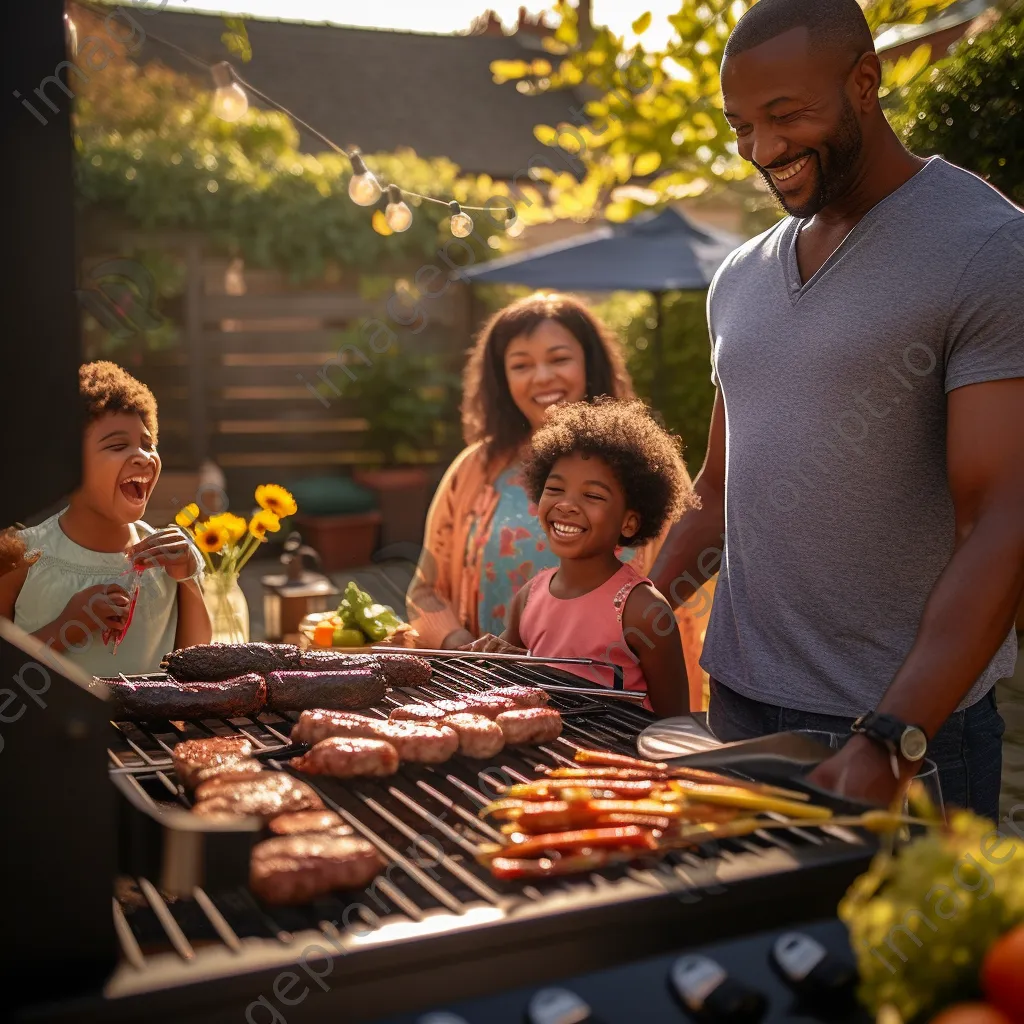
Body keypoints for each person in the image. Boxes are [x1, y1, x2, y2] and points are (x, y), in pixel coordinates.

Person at [651, 0, 1024, 818]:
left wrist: (896, 735)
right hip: (737, 712)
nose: (762, 150)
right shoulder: (738, 279)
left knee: (900, 950)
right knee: (752, 949)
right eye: (740, 125)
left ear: (865, 80)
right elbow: (720, 495)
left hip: (901, 732)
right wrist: (643, 602)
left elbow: (1003, 520)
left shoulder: (989, 249)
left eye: (786, 116)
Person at [407, 291, 705, 707]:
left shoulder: (642, 469)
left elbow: (684, 604)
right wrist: (464, 647)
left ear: (589, 364)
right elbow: (425, 590)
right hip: (492, 697)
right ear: (502, 379)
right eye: (521, 365)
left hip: (618, 711)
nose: (542, 376)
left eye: (559, 358)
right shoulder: (473, 469)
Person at [466, 399, 695, 716]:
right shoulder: (528, 598)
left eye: (592, 496)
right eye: (555, 489)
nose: (566, 505)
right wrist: (493, 657)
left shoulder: (643, 610)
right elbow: (514, 684)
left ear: (629, 521)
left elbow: (676, 722)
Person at [0, 361, 211, 675]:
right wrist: (69, 627)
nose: (143, 456)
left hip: (152, 726)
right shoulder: (20, 556)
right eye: (117, 445)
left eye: (148, 444)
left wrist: (189, 577)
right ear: (67, 466)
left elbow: (197, 666)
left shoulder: (169, 557)